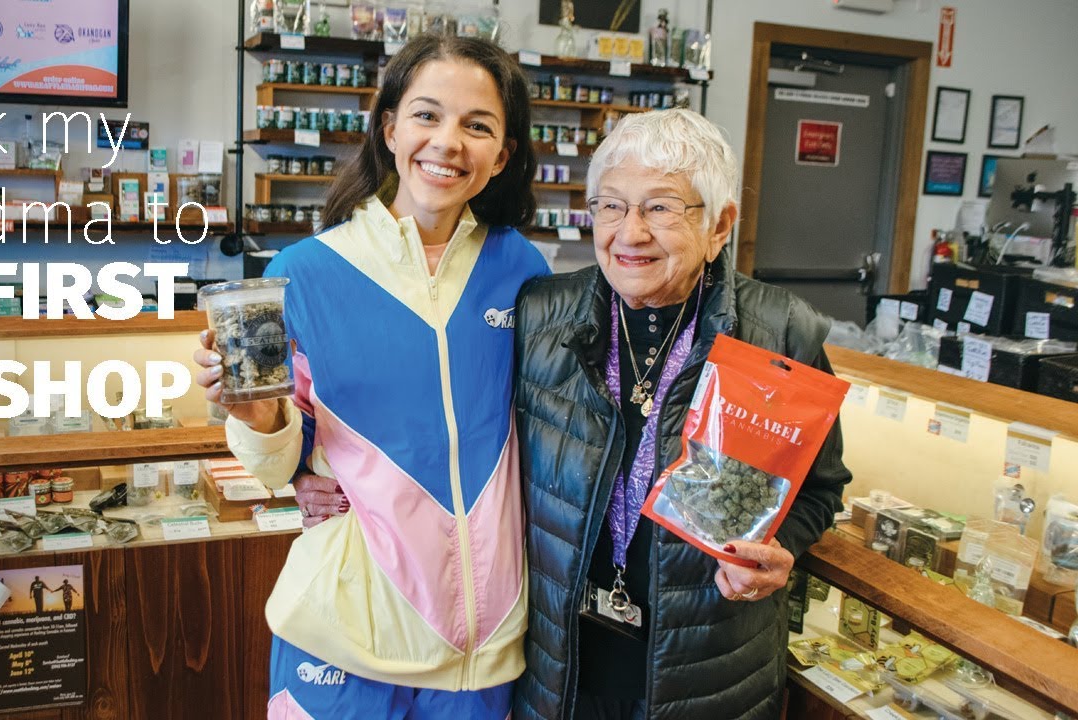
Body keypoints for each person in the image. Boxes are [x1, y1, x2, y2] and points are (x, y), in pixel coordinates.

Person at [192, 34, 548, 719]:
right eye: (426, 115)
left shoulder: (522, 272)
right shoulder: (304, 272)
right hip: (345, 635)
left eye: (477, 125)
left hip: (487, 651)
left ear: (502, 155)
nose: (448, 142)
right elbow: (278, 460)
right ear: (388, 128)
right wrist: (256, 418)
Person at [511, 109, 852, 720]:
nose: (630, 232)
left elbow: (820, 489)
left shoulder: (780, 332)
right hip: (563, 667)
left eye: (661, 207)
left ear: (720, 226)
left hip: (710, 673)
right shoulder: (541, 316)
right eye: (610, 206)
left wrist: (784, 550)